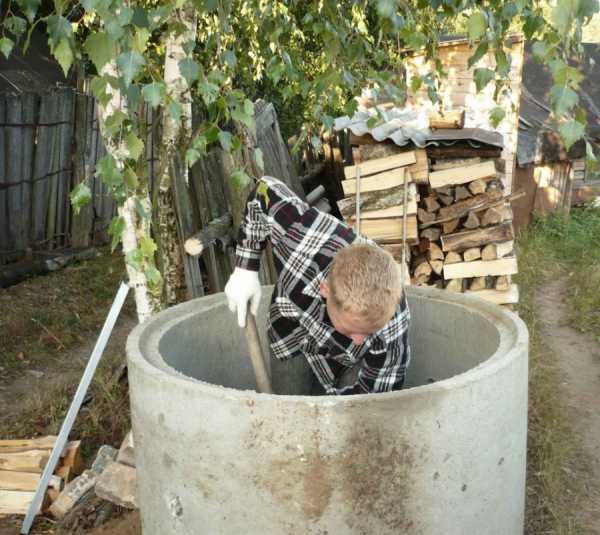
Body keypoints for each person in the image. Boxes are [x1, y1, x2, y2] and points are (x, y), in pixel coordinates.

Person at [224, 176, 410, 395]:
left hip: (347, 360)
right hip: (291, 333)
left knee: (346, 416)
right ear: (326, 290)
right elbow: (264, 190)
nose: (362, 340)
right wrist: (246, 266)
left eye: (369, 332)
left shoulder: (393, 322)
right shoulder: (300, 238)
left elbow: (376, 398)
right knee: (288, 408)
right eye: (352, 329)